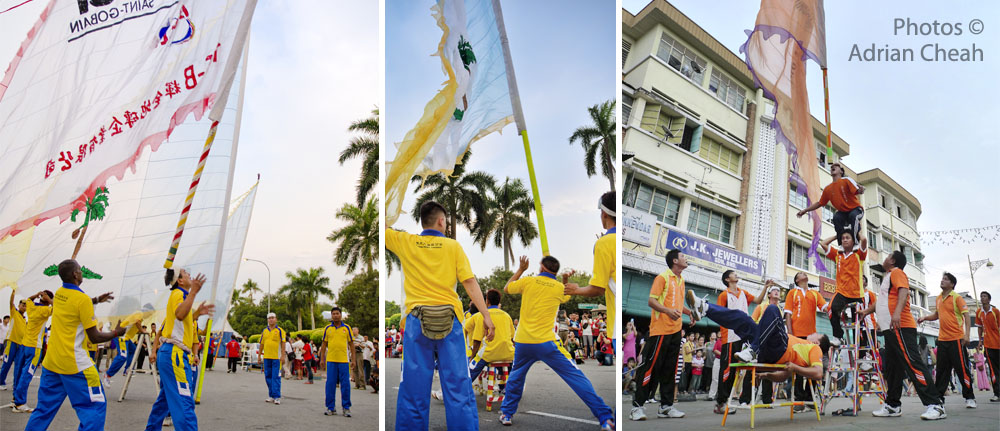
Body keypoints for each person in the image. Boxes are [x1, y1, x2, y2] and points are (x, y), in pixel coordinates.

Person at [387, 201, 494, 431]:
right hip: (451, 322)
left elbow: (382, 228)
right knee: (458, 388)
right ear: (441, 221)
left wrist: (391, 199)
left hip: (416, 322)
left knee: (413, 390)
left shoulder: (406, 241)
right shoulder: (453, 246)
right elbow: (469, 282)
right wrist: (486, 315)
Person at [498, 255, 614, 428]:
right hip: (546, 342)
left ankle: (507, 414)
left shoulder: (528, 281)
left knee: (516, 377)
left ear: (542, 268)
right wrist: (564, 279)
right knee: (575, 376)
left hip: (523, 341)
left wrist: (521, 269)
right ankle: (605, 417)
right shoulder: (559, 288)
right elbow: (566, 293)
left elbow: (507, 288)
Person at [24, 259, 123, 430]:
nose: (82, 273)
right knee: (94, 407)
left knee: (43, 410)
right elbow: (95, 337)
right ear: (76, 274)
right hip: (75, 364)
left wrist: (97, 299)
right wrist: (117, 333)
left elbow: (74, 305)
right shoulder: (81, 299)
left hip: (52, 363)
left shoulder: (60, 293)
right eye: (80, 270)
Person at [860, 250, 945, 420]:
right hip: (889, 329)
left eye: (887, 256)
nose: (884, 259)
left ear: (892, 260)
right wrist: (866, 312)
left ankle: (935, 404)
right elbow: (881, 302)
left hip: (901, 327)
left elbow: (904, 291)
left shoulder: (897, 273)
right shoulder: (888, 277)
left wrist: (896, 313)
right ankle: (892, 405)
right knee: (892, 369)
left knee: (913, 363)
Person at [685, 289, 831, 385]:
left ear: (818, 342)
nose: (814, 333)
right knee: (743, 318)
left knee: (772, 309)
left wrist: (795, 368)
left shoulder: (814, 349)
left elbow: (818, 373)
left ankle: (753, 350)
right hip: (767, 348)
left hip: (779, 347)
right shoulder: (802, 348)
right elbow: (784, 375)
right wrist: (767, 375)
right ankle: (705, 308)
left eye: (817, 334)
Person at [144, 268, 215, 431]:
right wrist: (194, 292)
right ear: (180, 281)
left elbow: (181, 321)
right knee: (184, 401)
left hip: (171, 353)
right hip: (174, 354)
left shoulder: (180, 296)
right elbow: (180, 315)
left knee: (164, 401)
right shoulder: (179, 293)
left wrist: (196, 314)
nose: (190, 274)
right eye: (186, 273)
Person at [564, 191, 617, 357]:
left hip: (615, 322)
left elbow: (598, 288)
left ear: (604, 214)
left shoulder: (604, 243)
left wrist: (575, 290)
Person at [918, 272, 976, 408]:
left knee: (962, 370)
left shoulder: (957, 298)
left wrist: (966, 335)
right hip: (942, 340)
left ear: (952, 284)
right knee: (942, 371)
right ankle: (939, 399)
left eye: (946, 279)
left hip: (956, 339)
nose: (942, 281)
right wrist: (924, 318)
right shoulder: (938, 298)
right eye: (942, 278)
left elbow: (966, 316)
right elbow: (936, 315)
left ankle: (970, 397)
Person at [715, 269, 766, 414]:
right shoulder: (724, 295)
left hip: (744, 337)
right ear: (727, 279)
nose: (736, 274)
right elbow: (718, 313)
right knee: (727, 370)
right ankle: (720, 403)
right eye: (733, 273)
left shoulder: (743, 292)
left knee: (741, 369)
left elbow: (758, 301)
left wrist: (766, 287)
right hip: (730, 336)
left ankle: (736, 399)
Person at [782, 271, 827, 407]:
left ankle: (809, 397)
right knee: (798, 369)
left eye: (804, 273)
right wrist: (790, 335)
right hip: (796, 335)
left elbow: (825, 307)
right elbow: (788, 314)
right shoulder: (792, 293)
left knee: (814, 365)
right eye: (801, 274)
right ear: (797, 280)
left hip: (811, 336)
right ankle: (798, 399)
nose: (804, 274)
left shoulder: (815, 293)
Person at [795, 162, 865, 246]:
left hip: (856, 209)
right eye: (831, 167)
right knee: (836, 218)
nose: (832, 167)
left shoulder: (846, 180)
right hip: (843, 213)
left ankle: (855, 243)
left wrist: (861, 190)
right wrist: (805, 210)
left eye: (836, 166)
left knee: (853, 216)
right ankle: (842, 245)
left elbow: (858, 191)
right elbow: (819, 203)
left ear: (841, 172)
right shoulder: (828, 189)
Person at [820, 233, 868, 343]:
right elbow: (823, 243)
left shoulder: (859, 254)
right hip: (842, 292)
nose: (845, 240)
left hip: (856, 294)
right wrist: (837, 235)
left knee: (859, 324)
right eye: (843, 238)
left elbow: (864, 239)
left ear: (853, 241)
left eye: (847, 238)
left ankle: (862, 351)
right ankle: (838, 336)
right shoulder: (838, 254)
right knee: (831, 308)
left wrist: (856, 231)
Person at [467, 289, 515, 382]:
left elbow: (477, 340)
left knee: (470, 370)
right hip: (508, 353)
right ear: (499, 301)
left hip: (489, 353)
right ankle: (504, 387)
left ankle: (461, 391)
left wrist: (472, 357)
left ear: (487, 301)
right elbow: (512, 338)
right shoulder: (507, 315)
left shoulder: (483, 315)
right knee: (506, 368)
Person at [320, 306, 354, 416]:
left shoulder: (347, 328)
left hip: (344, 360)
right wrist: (322, 359)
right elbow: (324, 344)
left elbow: (351, 344)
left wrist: (353, 359)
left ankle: (346, 407)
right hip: (331, 360)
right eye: (333, 314)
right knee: (330, 384)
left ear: (341, 315)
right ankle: (331, 407)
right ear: (331, 315)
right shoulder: (327, 329)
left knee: (345, 384)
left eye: (337, 313)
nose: (335, 315)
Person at [974, 291, 999, 402]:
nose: (982, 298)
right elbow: (979, 328)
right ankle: (997, 393)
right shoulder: (979, 312)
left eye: (984, 296)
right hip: (988, 345)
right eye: (981, 296)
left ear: (989, 299)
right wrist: (980, 341)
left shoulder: (995, 312)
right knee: (993, 370)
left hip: (998, 343)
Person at [0, 292, 27, 391]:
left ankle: (16, 385)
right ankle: (1, 382)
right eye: (22, 305)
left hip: (20, 345)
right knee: (7, 363)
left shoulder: (24, 319)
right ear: (19, 305)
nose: (24, 307)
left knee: (18, 366)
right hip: (11, 342)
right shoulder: (14, 312)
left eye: (25, 306)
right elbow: (11, 302)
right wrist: (13, 292)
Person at [259, 313, 286, 404]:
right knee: (268, 377)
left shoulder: (280, 331)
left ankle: (277, 396)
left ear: (276, 319)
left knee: (276, 377)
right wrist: (259, 356)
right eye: (269, 318)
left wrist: (283, 355)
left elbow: (283, 343)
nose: (271, 320)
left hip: (277, 358)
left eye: (272, 318)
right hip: (267, 357)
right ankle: (271, 395)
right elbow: (262, 344)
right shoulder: (265, 331)